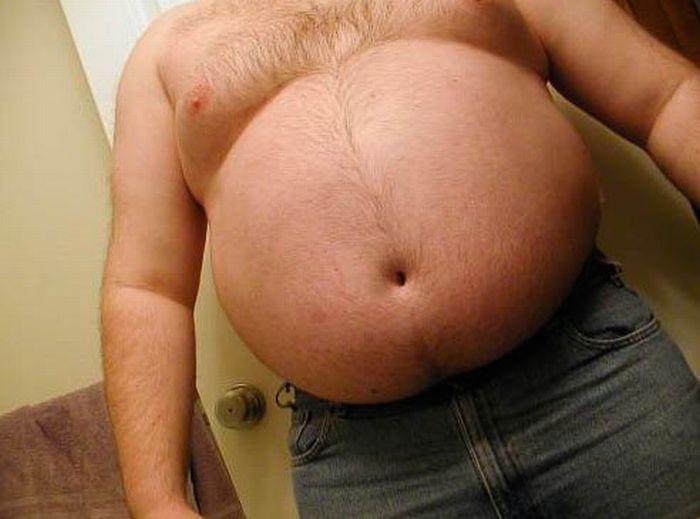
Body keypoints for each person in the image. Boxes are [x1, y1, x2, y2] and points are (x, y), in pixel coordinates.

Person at [99, 0, 700, 517]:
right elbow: (146, 288)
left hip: (594, 385)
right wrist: (156, 501)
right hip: (368, 468)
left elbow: (668, 102)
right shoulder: (168, 53)